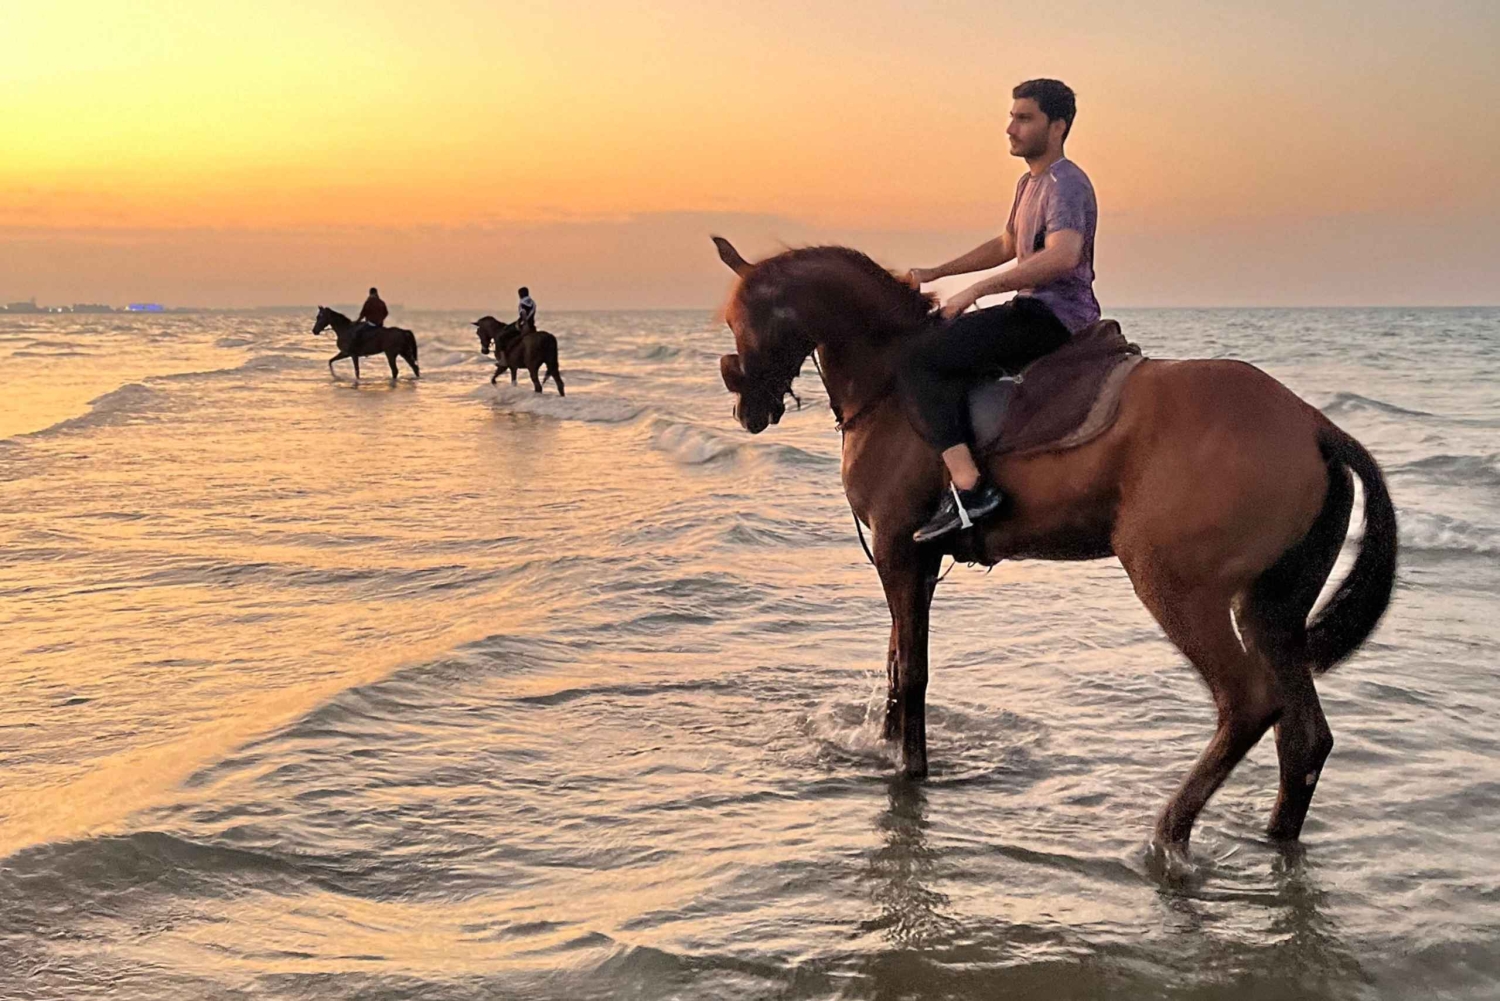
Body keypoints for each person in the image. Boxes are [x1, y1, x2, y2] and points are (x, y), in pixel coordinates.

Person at [901, 78, 1100, 543]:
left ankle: (972, 490)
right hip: (1031, 307)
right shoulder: (1029, 183)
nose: (1010, 127)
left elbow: (1063, 255)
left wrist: (975, 292)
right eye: (1012, 116)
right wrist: (935, 272)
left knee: (918, 359)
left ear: (1058, 126)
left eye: (1024, 117)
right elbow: (1008, 243)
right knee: (933, 342)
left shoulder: (1065, 182)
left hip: (1054, 316)